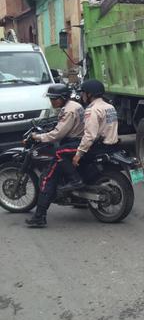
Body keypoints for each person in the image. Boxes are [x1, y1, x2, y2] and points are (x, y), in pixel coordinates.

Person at [25, 84, 84, 228]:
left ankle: (39, 217)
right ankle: (81, 199)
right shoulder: (75, 105)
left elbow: (58, 134)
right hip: (79, 140)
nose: (52, 102)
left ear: (62, 98)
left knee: (47, 178)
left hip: (73, 143)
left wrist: (38, 137)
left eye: (54, 99)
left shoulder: (68, 111)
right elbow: (62, 125)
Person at [71, 79, 119, 175]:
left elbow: (90, 135)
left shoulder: (92, 110)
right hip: (114, 145)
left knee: (62, 152)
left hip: (99, 147)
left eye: (83, 93)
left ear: (89, 94)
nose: (82, 96)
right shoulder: (110, 107)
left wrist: (78, 154)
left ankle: (76, 182)